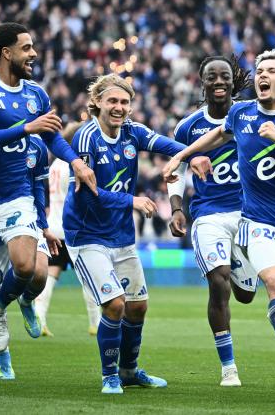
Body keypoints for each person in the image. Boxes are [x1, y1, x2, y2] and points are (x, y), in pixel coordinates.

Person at [164, 49, 275, 389]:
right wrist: (181, 154)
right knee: (273, 284)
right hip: (255, 220)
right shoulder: (240, 114)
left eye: (271, 70)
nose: (262, 75)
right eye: (259, 70)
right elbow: (218, 134)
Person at [0, 22, 96, 393]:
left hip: (18, 196)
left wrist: (76, 161)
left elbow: (52, 141)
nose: (33, 54)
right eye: (27, 48)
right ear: (6, 53)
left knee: (29, 267)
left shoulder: (37, 94)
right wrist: (27, 127)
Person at [63, 73, 185, 394]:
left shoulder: (132, 131)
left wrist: (193, 154)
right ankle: (109, 376)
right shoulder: (86, 138)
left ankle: (129, 371)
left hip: (121, 236)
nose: (119, 107)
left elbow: (166, 144)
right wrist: (132, 200)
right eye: (112, 101)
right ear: (97, 103)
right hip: (87, 235)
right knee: (115, 304)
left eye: (124, 102)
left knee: (138, 306)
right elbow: (89, 195)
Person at [167, 55, 256, 387]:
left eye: (224, 77)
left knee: (245, 295)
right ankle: (228, 367)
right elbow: (175, 170)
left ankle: (236, 261)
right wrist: (177, 208)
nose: (218, 82)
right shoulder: (188, 127)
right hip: (208, 214)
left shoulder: (249, 115)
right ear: (201, 84)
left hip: (249, 214)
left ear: (233, 81)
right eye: (211, 77)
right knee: (218, 282)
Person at [0, 133, 58, 379]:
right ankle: (2, 356)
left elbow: (38, 186)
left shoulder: (36, 144)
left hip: (26, 216)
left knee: (39, 274)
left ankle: (26, 301)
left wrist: (45, 226)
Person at [35, 121, 101, 338]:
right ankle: (95, 323)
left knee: (51, 274)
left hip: (54, 226)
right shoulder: (75, 166)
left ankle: (40, 318)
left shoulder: (55, 165)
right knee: (89, 277)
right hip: (75, 228)